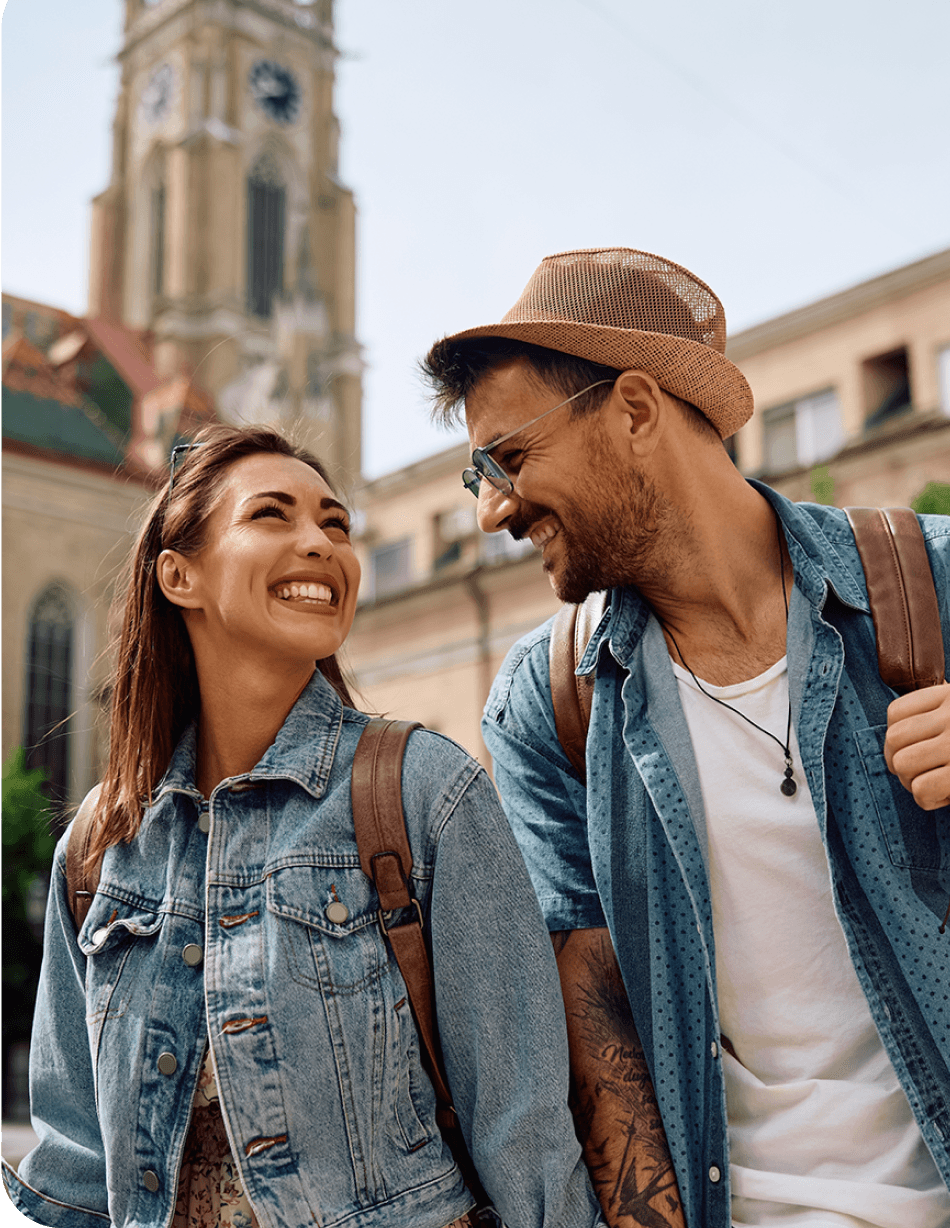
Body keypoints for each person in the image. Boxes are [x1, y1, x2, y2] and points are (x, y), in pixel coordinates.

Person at [421, 248, 950, 1228]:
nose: (491, 511)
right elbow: (594, 1022)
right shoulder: (550, 701)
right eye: (476, 475)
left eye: (509, 459)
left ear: (633, 410)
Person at [2, 424, 604, 1228]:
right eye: (273, 516)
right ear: (179, 575)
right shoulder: (99, 845)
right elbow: (72, 1167)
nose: (320, 543)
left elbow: (523, 1135)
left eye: (336, 523)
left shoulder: (423, 790)